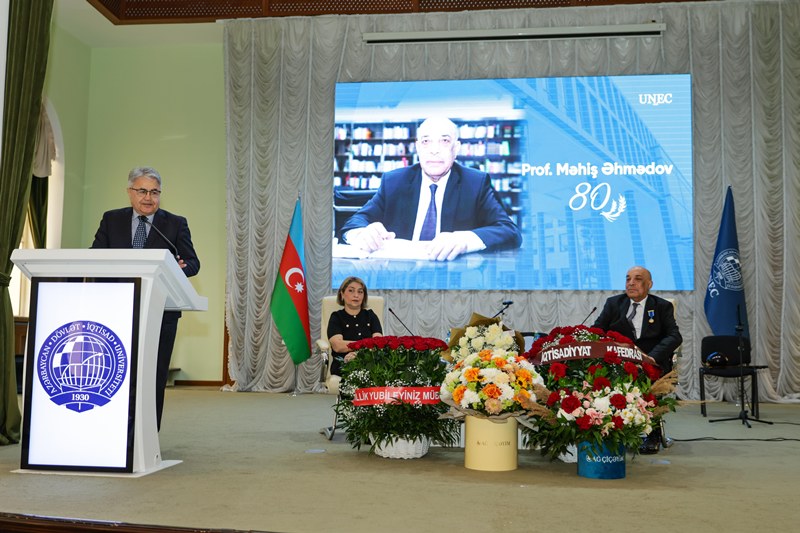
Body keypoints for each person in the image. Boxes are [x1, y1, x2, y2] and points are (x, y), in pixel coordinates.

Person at [91, 166, 200, 431]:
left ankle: (148, 434)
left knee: (154, 375)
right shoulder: (111, 220)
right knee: (117, 372)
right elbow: (95, 256)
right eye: (142, 191)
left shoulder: (175, 223)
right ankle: (117, 432)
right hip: (117, 310)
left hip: (161, 312)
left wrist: (180, 268)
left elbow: (193, 263)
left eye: (154, 192)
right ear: (130, 192)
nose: (148, 197)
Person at [339, 116, 522, 261]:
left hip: (452, 277)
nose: (434, 150)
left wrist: (465, 240)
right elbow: (355, 222)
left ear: (456, 148)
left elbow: (509, 231)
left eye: (444, 141)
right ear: (418, 147)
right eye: (426, 142)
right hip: (400, 275)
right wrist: (362, 234)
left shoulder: (475, 183)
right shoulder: (394, 181)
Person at [593, 265, 682, 454]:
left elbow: (674, 336)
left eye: (638, 279)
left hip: (651, 362)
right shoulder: (614, 303)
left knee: (650, 383)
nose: (631, 283)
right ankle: (613, 429)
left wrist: (652, 357)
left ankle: (653, 433)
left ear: (649, 284)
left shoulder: (661, 306)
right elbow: (597, 331)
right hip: (620, 362)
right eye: (628, 279)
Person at [327, 276, 383, 376]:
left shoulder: (371, 316)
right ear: (342, 294)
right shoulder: (336, 317)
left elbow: (378, 343)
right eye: (351, 291)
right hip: (343, 365)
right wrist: (365, 345)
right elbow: (338, 346)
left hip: (369, 363)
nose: (356, 295)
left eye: (360, 292)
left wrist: (358, 353)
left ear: (364, 296)